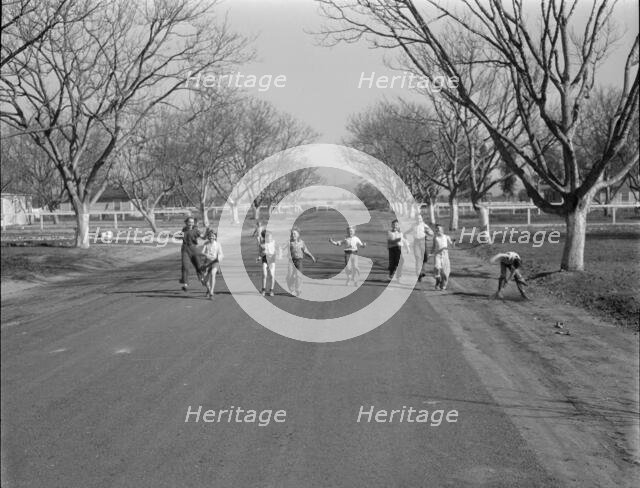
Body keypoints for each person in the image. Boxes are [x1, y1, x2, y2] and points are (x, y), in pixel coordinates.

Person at [287, 228, 316, 296]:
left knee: (298, 275)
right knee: (290, 276)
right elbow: (282, 248)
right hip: (291, 261)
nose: (293, 235)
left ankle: (298, 289)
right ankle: (292, 289)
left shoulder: (301, 242)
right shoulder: (289, 242)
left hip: (299, 261)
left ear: (298, 235)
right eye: (292, 233)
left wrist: (311, 256)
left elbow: (305, 251)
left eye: (295, 233)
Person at [178, 216, 204, 292]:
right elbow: (180, 237)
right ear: (186, 223)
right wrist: (171, 235)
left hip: (194, 249)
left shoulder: (196, 230)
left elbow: (203, 237)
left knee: (198, 265)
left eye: (192, 222)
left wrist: (208, 235)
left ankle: (202, 278)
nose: (190, 223)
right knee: (185, 266)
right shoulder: (184, 229)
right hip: (185, 249)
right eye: (189, 222)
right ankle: (185, 284)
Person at [410, 213, 434, 281]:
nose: (419, 220)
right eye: (417, 218)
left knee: (424, 257)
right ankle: (419, 273)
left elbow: (432, 233)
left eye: (420, 218)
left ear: (422, 219)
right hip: (416, 242)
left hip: (423, 242)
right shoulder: (412, 225)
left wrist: (428, 231)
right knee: (418, 257)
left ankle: (422, 270)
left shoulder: (424, 225)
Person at [201, 229, 223, 299]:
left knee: (213, 273)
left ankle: (211, 292)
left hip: (215, 262)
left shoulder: (218, 244)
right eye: (210, 236)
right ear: (208, 237)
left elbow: (221, 254)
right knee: (204, 280)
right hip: (207, 262)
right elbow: (202, 252)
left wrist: (219, 258)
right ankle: (208, 289)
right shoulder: (206, 244)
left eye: (213, 236)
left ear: (215, 237)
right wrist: (206, 255)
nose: (211, 237)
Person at [431, 224, 454, 290]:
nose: (437, 229)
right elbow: (433, 247)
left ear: (442, 230)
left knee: (445, 272)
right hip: (437, 254)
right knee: (437, 267)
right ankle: (438, 281)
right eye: (436, 228)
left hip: (445, 255)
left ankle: (443, 284)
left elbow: (452, 245)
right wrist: (430, 253)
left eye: (438, 228)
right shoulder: (435, 237)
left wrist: (454, 243)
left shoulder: (446, 237)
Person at [258, 230, 277, 297]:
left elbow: (278, 249)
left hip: (272, 260)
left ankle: (271, 290)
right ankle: (263, 290)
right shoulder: (262, 244)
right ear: (265, 238)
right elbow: (260, 253)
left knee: (272, 275)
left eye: (271, 237)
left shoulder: (274, 243)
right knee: (264, 274)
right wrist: (259, 257)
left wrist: (279, 254)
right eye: (268, 237)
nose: (270, 238)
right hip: (265, 260)